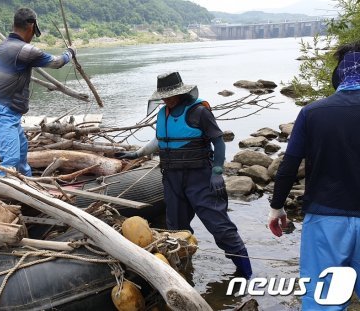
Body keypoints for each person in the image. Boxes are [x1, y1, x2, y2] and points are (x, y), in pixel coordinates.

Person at [116, 72, 252, 279]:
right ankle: (185, 273)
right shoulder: (164, 113)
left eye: (171, 95)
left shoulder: (199, 112)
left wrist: (217, 172)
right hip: (172, 179)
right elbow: (159, 140)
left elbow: (219, 141)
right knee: (176, 230)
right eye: (164, 96)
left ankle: (245, 274)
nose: (167, 99)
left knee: (220, 227)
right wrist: (137, 154)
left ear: (181, 92)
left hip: (200, 178)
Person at [268, 42, 360, 309]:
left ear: (339, 74)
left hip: (325, 219)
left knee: (324, 301)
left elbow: (289, 165)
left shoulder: (312, 113)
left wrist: (276, 208)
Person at [0, 8, 75, 176]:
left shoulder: (0, 47)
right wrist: (70, 52)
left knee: (21, 153)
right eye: (34, 32)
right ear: (31, 27)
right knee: (10, 161)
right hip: (2, 113)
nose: (33, 35)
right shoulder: (26, 51)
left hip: (0, 109)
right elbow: (57, 62)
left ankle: (29, 185)